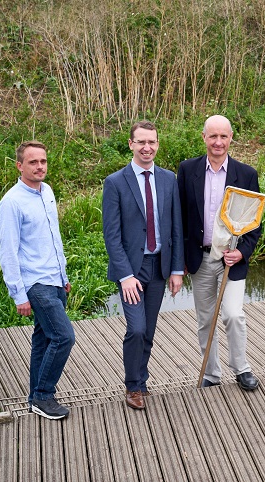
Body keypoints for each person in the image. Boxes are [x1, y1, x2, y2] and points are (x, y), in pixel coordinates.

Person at [102, 120, 184, 410]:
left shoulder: (168, 179)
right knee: (135, 328)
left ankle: (141, 379)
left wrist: (176, 269)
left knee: (148, 329)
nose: (147, 147)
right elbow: (111, 235)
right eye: (141, 142)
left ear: (157, 144)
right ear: (131, 144)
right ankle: (132, 386)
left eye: (152, 142)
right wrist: (124, 275)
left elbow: (175, 228)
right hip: (131, 269)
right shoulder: (115, 182)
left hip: (159, 266)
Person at [177, 115, 262, 391]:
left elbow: (254, 222)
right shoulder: (187, 170)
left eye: (223, 136)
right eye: (213, 136)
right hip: (199, 260)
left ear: (231, 137)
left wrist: (242, 252)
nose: (218, 142)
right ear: (204, 137)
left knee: (233, 314)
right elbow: (180, 218)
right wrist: (180, 261)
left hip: (231, 260)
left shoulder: (246, 174)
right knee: (205, 319)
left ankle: (241, 368)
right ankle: (211, 373)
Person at [0, 141, 76, 420]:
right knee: (64, 336)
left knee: (43, 340)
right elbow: (8, 252)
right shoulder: (11, 202)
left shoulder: (48, 192)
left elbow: (53, 239)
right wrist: (18, 294)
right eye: (33, 162)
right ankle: (44, 395)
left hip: (54, 279)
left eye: (43, 161)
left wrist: (63, 276)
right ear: (19, 166)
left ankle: (35, 399)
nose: (40, 166)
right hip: (35, 283)